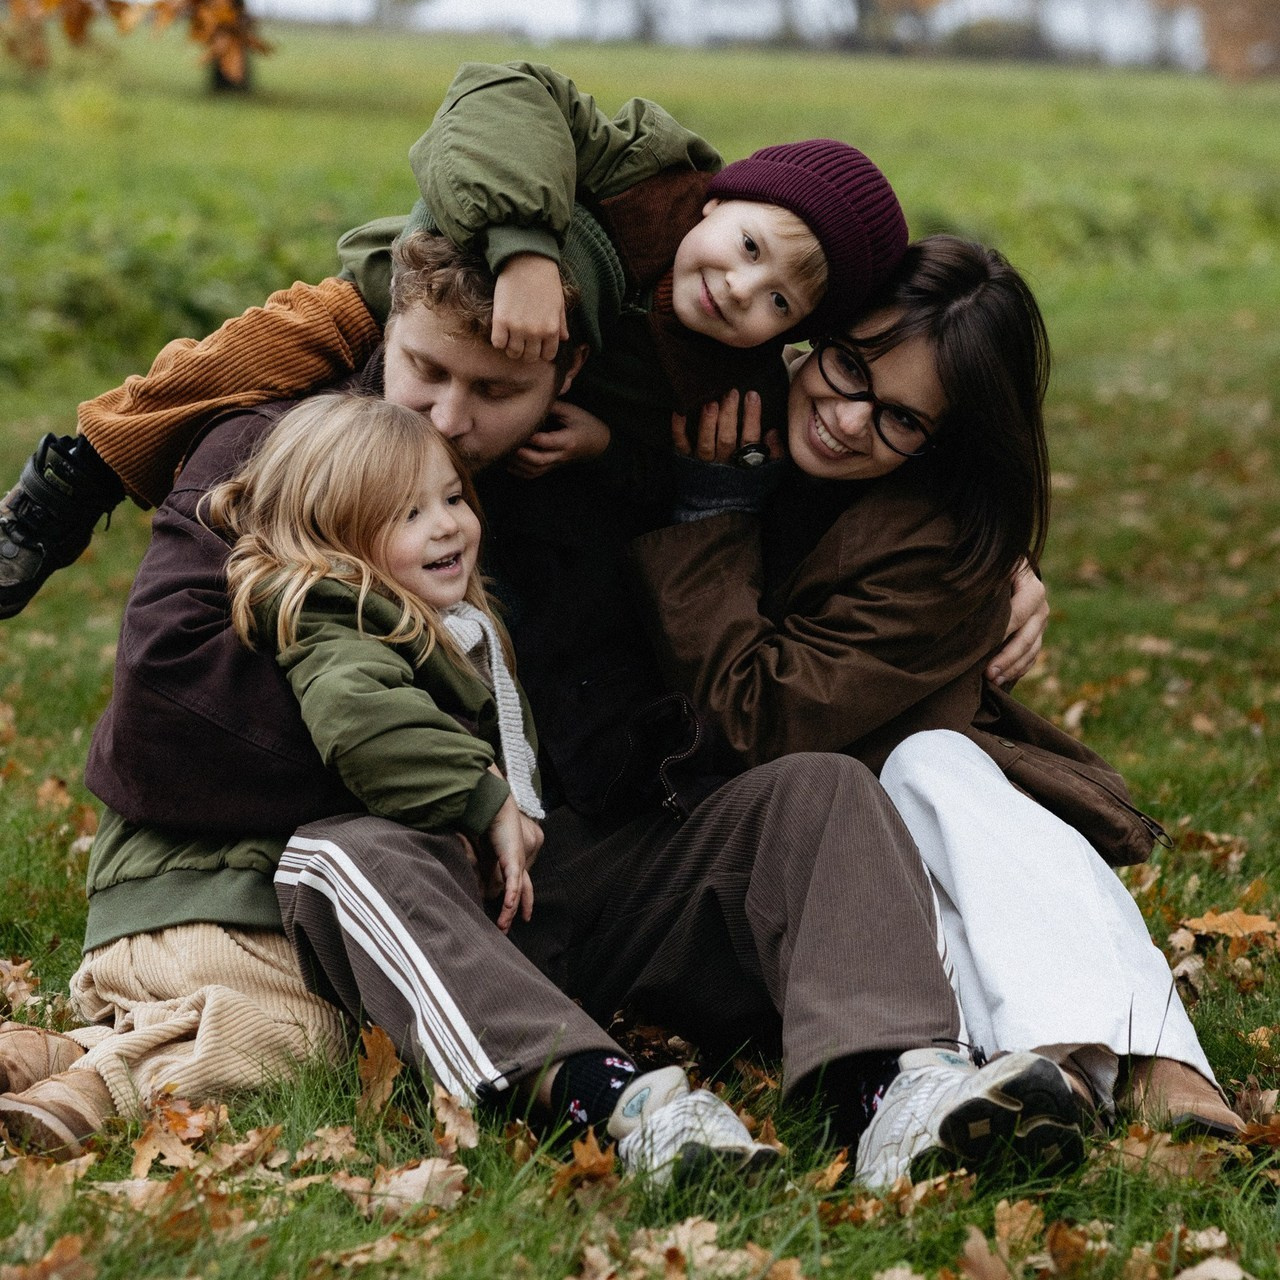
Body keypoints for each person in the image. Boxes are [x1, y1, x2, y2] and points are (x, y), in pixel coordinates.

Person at [0, 230, 1082, 1189]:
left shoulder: (592, 457)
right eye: (426, 370)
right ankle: (611, 1102)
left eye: (494, 389)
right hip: (376, 871)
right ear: (391, 330)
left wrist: (995, 558)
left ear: (566, 376)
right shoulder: (292, 458)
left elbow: (784, 296)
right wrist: (466, 796)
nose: (447, 416)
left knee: (818, 791)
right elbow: (174, 703)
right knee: (349, 850)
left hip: (560, 868)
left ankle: (895, 1085)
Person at [624, 234, 1241, 1143]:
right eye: (848, 367)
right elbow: (756, 723)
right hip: (745, 863)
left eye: (901, 419)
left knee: (931, 766)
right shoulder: (724, 405)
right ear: (819, 329)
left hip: (876, 836)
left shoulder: (938, 539)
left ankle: (1098, 1067)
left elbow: (769, 715)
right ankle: (1120, 1061)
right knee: (916, 779)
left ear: (943, 441)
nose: (848, 420)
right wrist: (712, 507)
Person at [0, 60, 908, 618]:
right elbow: (500, 96)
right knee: (254, 354)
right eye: (749, 247)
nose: (742, 288)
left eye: (779, 300)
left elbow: (671, 467)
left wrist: (607, 442)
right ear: (720, 199)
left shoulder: (725, 375)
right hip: (414, 294)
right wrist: (523, 249)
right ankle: (76, 478)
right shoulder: (646, 170)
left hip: (523, 395)